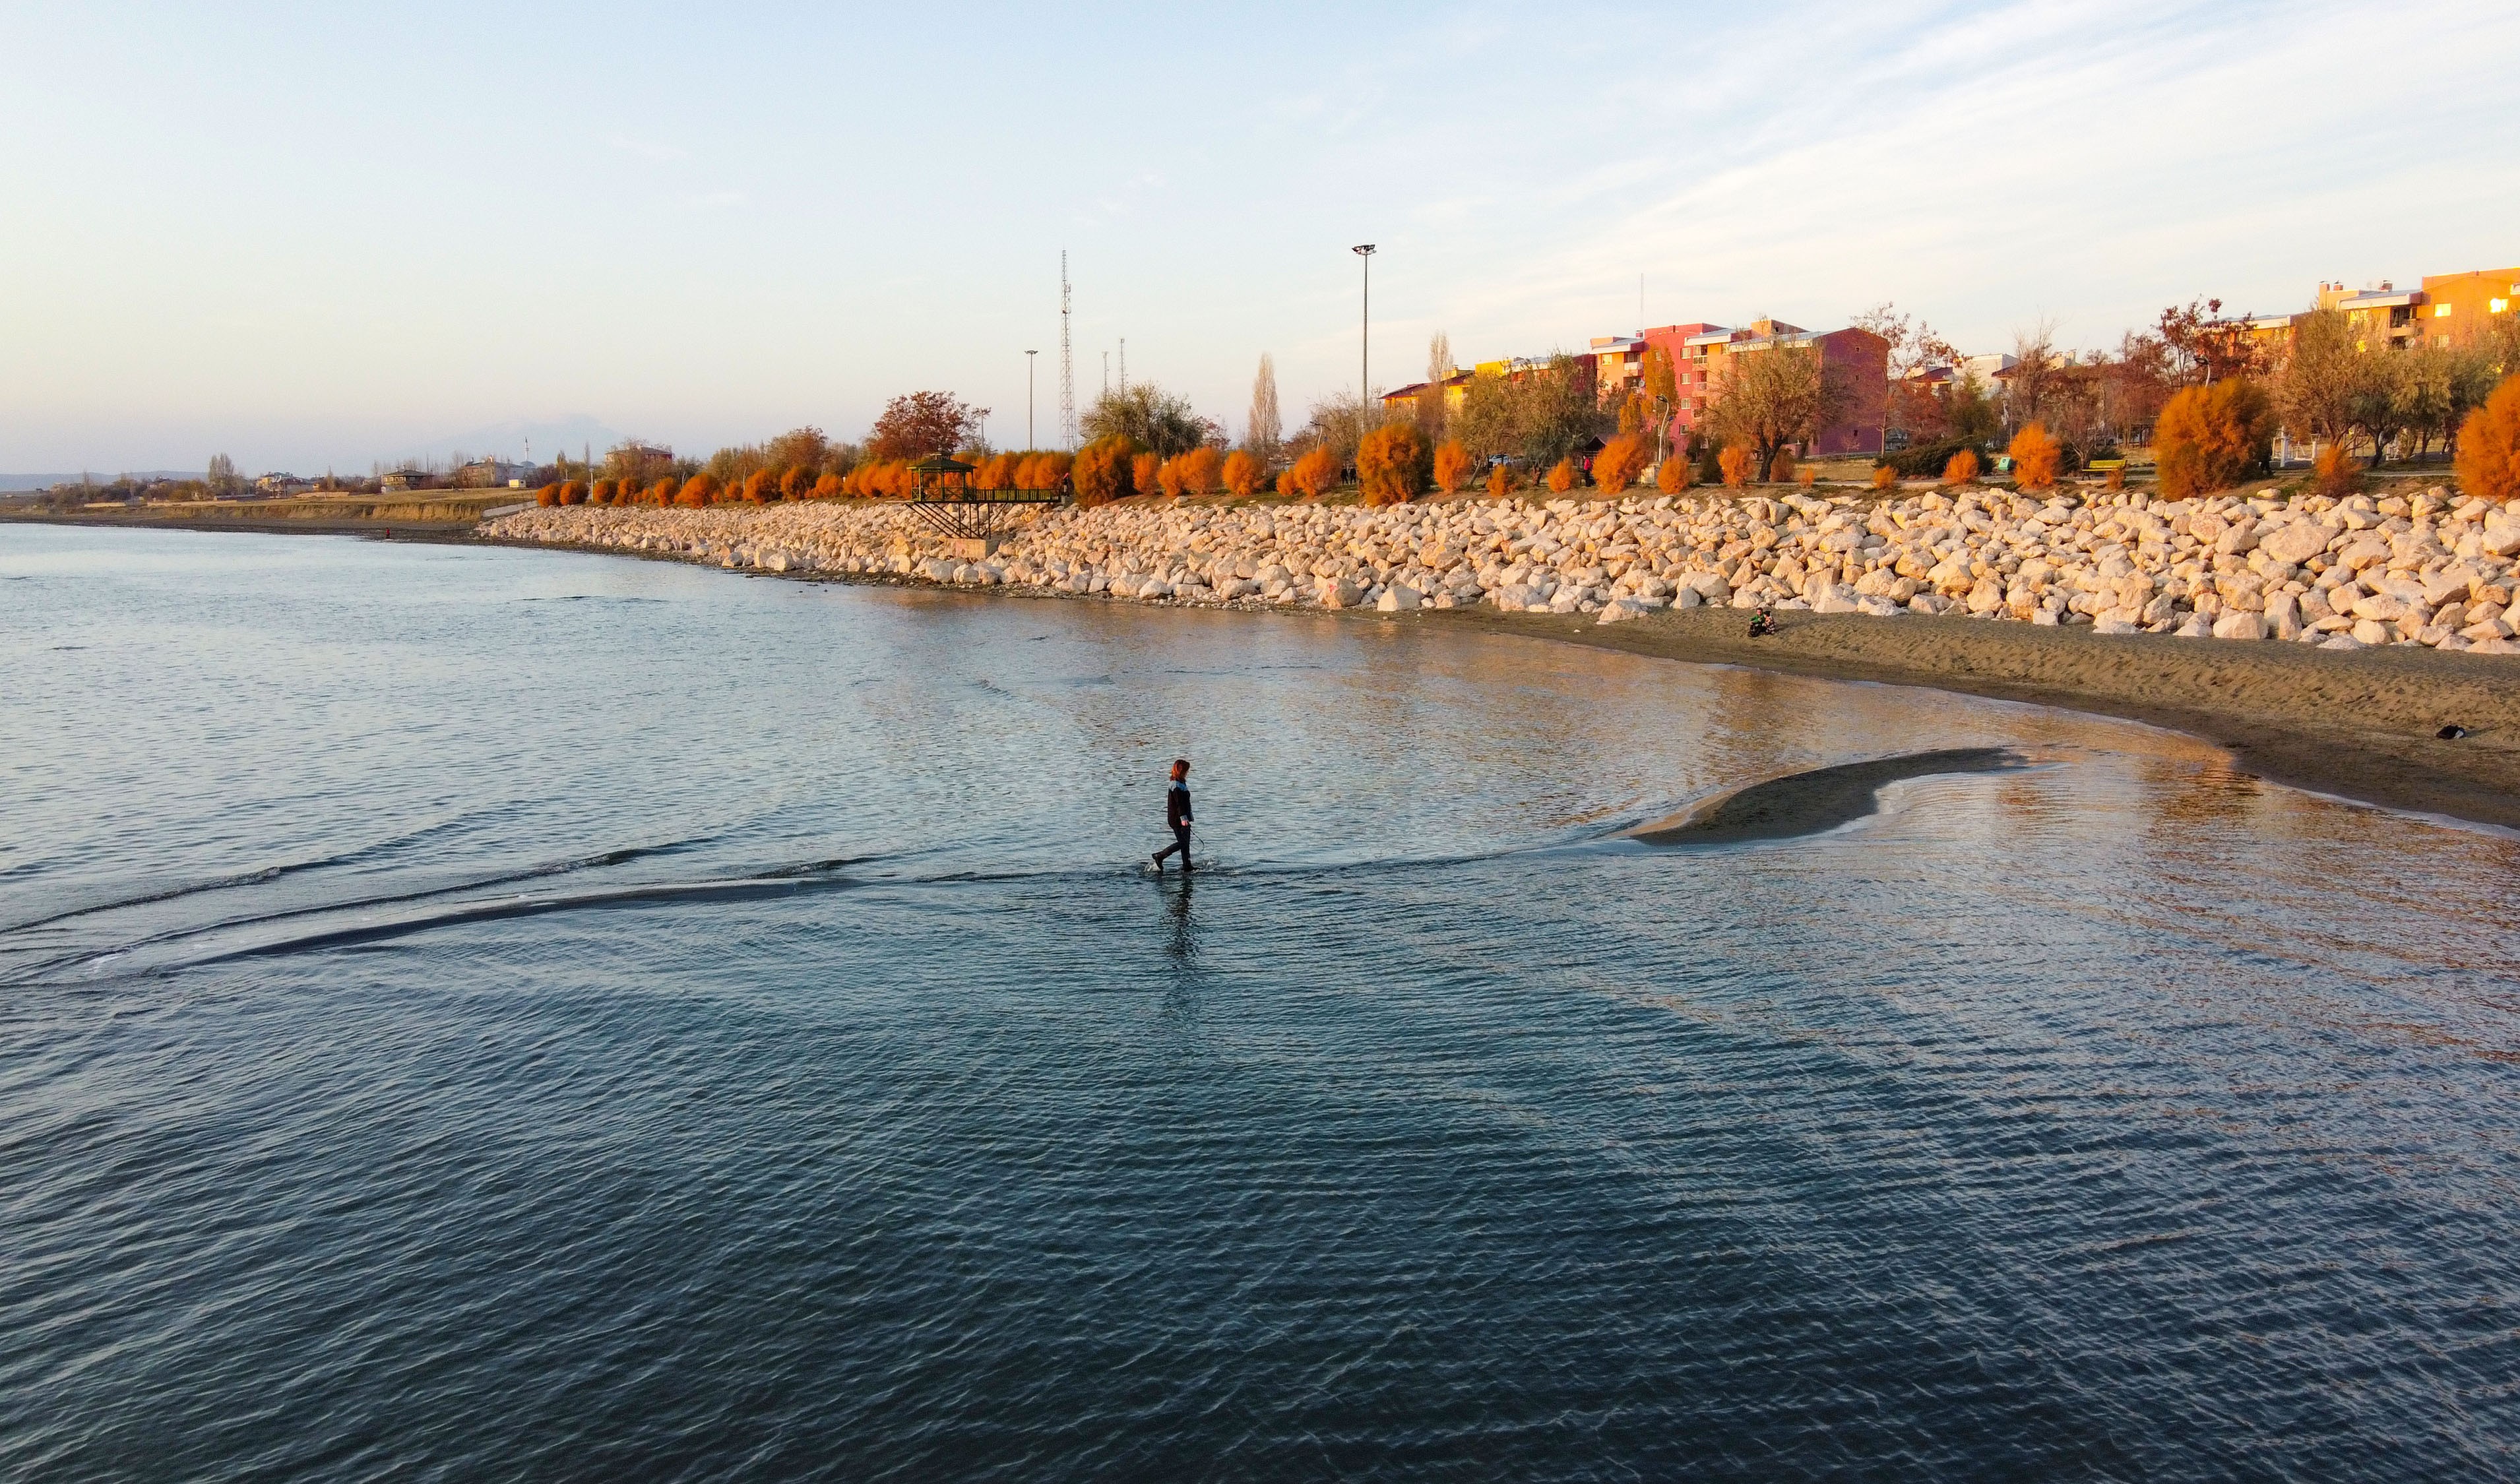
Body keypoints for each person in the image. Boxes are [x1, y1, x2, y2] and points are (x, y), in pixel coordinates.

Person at [1151, 758, 1193, 871]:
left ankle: (1187, 866)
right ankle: (1160, 856)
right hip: (1177, 819)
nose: (1187, 773)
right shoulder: (1175, 785)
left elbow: (1185, 803)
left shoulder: (1181, 783)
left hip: (1183, 818)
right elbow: (1179, 803)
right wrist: (1183, 818)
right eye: (1186, 771)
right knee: (1182, 843)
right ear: (1181, 771)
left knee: (1186, 844)